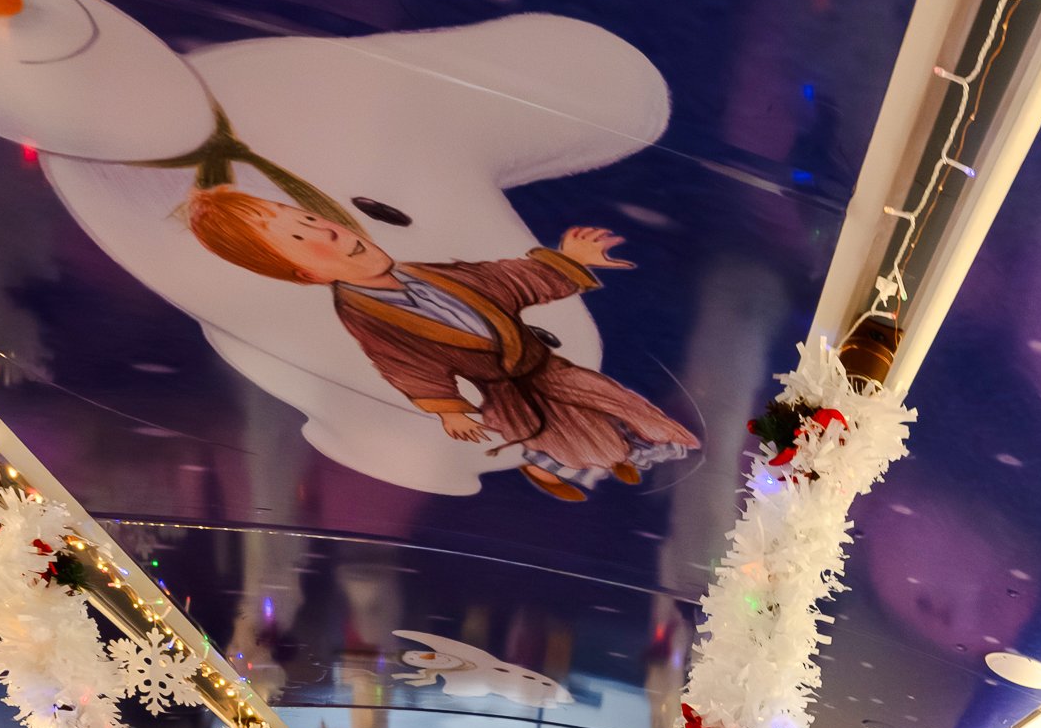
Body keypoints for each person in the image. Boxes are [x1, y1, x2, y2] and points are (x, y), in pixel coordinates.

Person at [180, 188, 698, 502]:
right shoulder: (367, 318)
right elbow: (403, 365)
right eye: (300, 238)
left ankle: (634, 450)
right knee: (563, 436)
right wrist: (447, 409)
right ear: (305, 273)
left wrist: (568, 261)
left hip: (546, 365)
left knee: (615, 402)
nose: (330, 232)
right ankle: (591, 463)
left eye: (312, 219)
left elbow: (504, 280)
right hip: (504, 389)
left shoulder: (428, 273)